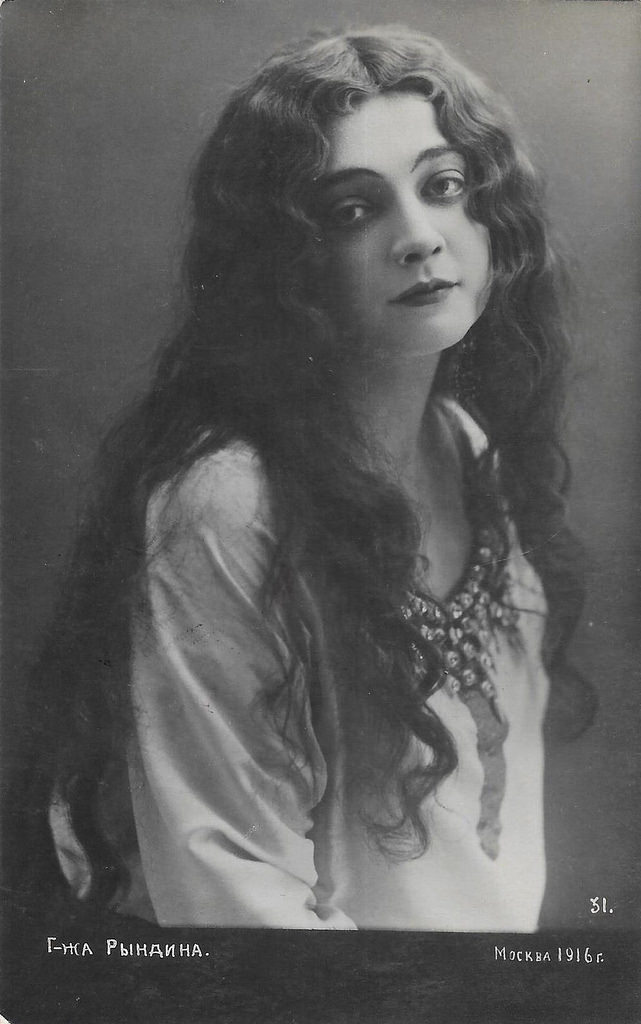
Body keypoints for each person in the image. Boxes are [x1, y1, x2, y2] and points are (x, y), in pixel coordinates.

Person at [21, 26, 594, 930]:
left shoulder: (464, 446)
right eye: (353, 210)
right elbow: (231, 888)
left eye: (443, 187)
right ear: (286, 259)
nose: (419, 238)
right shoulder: (230, 503)